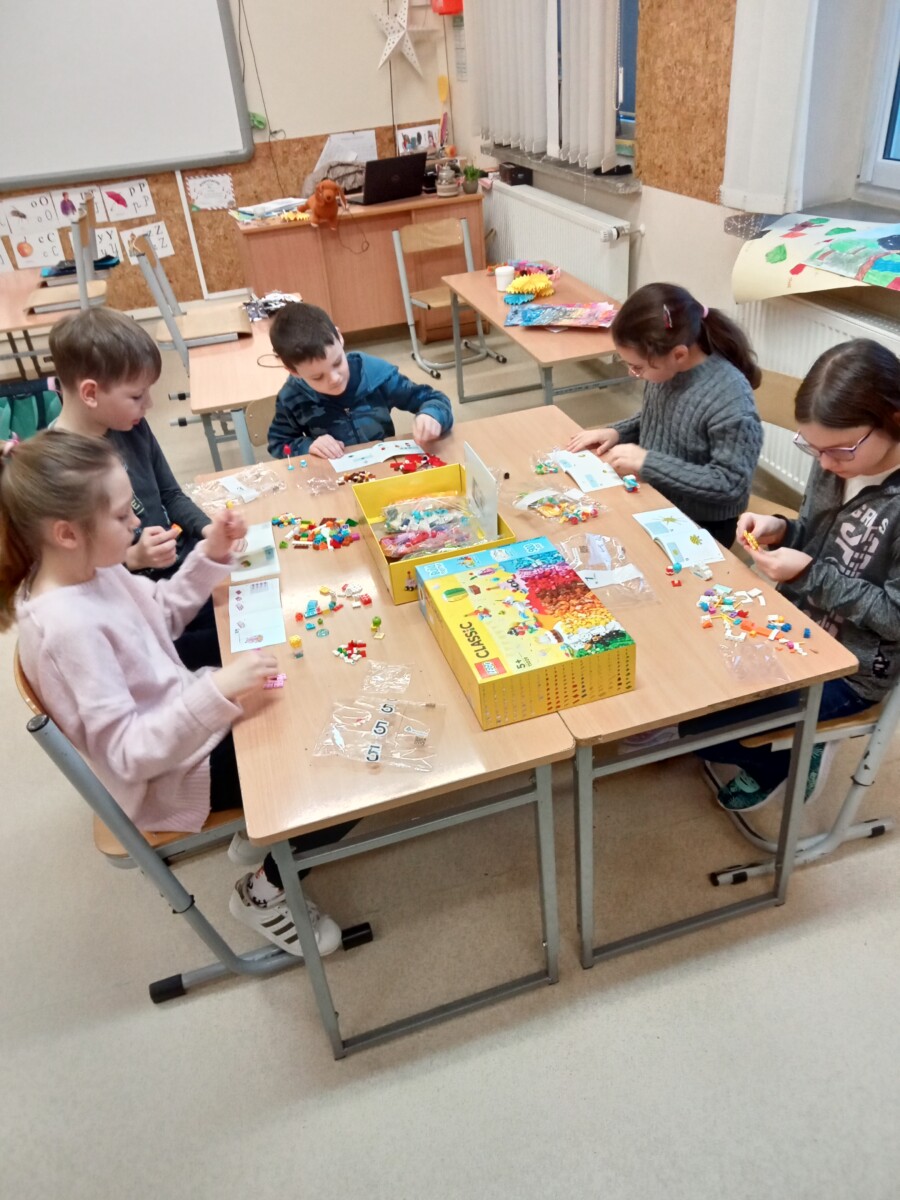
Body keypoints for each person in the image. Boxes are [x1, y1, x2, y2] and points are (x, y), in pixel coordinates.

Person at [1, 430, 348, 956]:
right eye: (123, 516)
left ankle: (267, 832)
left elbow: (160, 615)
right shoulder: (67, 628)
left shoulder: (89, 571)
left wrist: (210, 554)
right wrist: (216, 691)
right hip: (171, 775)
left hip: (185, 724)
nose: (136, 524)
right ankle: (264, 895)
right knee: (331, 763)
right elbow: (130, 754)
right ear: (67, 533)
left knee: (304, 687)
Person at [682, 339, 900, 812]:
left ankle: (785, 762)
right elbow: (822, 537)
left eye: (838, 451)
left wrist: (809, 574)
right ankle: (786, 736)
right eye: (813, 448)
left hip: (853, 669)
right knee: (688, 677)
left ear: (893, 420)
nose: (824, 464)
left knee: (699, 730)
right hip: (793, 624)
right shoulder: (837, 461)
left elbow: (895, 618)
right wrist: (783, 530)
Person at [50, 307, 219, 670]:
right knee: (241, 643)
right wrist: (133, 558)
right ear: (90, 393)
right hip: (136, 613)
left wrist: (208, 531)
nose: (149, 405)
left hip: (176, 580)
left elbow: (170, 495)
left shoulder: (130, 424)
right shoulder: (55, 469)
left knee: (255, 602)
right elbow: (69, 580)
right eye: (137, 395)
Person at [567, 282, 763, 548]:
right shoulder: (667, 368)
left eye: (637, 367)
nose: (633, 374)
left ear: (679, 354)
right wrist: (617, 431)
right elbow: (663, 418)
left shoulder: (730, 399)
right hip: (656, 496)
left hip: (702, 524)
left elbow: (730, 484)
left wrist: (648, 462)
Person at [267, 301, 453, 461]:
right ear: (293, 371)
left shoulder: (376, 374)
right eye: (317, 377)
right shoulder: (291, 396)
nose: (334, 379)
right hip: (334, 476)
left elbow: (434, 399)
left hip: (385, 468)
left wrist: (432, 416)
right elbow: (279, 442)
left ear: (339, 337)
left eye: (337, 362)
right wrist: (308, 446)